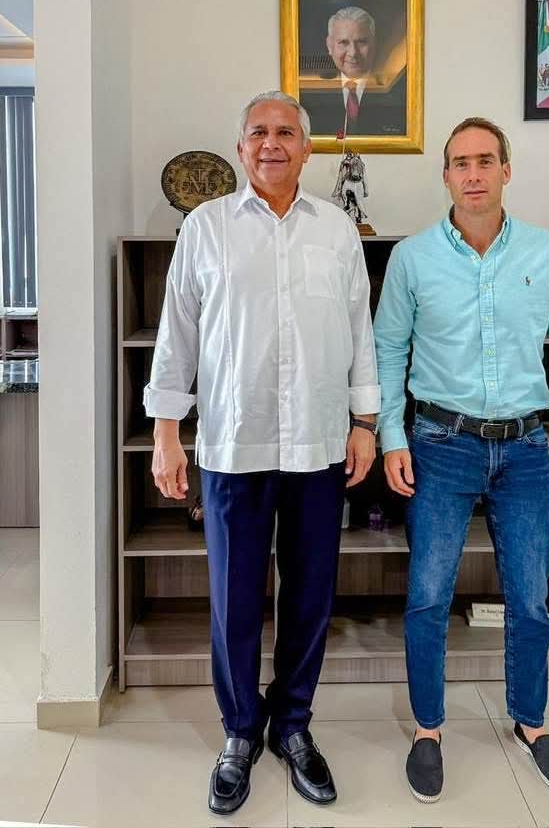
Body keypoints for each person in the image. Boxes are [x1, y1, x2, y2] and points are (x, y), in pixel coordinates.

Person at [144, 90, 380, 815]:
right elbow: (178, 334)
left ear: (306, 149)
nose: (271, 143)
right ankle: (242, 731)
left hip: (318, 443)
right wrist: (165, 432)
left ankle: (294, 725)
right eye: (258, 132)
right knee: (235, 599)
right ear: (241, 148)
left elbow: (360, 331)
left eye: (285, 132)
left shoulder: (336, 231)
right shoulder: (205, 228)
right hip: (231, 445)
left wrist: (365, 421)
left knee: (310, 596)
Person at [374, 117, 549, 804]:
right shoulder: (414, 258)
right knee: (428, 595)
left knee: (531, 599)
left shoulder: (546, 251)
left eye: (485, 160)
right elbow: (388, 350)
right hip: (439, 445)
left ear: (506, 170)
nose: (473, 173)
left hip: (526, 451)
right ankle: (428, 730)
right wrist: (391, 436)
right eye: (460, 162)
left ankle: (532, 723)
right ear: (445, 176)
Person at [299, 5, 407, 137]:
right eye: (344, 43)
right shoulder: (308, 98)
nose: (353, 53)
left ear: (374, 44)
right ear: (329, 46)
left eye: (361, 42)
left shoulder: (400, 93)